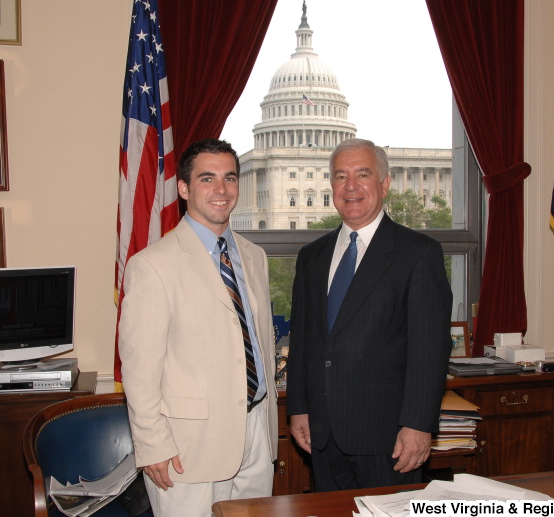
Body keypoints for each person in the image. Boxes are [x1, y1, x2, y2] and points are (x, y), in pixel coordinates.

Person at [118, 138, 278, 516]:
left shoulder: (254, 256)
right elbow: (140, 371)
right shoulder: (153, 265)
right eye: (207, 179)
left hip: (256, 431)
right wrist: (153, 444)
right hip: (188, 447)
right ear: (185, 188)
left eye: (230, 178)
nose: (221, 190)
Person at [286, 138, 452, 492]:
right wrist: (298, 408)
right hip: (323, 434)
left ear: (385, 182)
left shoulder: (418, 254)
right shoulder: (311, 257)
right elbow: (302, 342)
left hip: (389, 437)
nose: (351, 186)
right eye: (340, 176)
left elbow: (429, 352)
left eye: (363, 174)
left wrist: (418, 425)